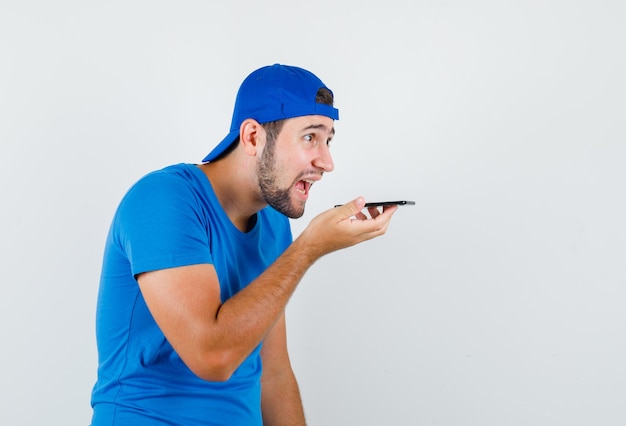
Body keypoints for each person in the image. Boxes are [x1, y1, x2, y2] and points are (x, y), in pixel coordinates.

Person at [90, 63, 398, 425]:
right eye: (310, 137)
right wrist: (308, 249)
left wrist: (303, 248)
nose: (326, 162)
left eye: (328, 140)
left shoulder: (273, 221)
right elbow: (212, 356)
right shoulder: (162, 200)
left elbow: (274, 375)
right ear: (252, 137)